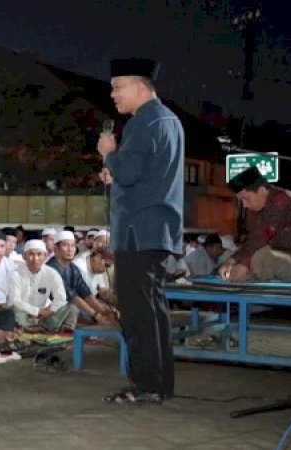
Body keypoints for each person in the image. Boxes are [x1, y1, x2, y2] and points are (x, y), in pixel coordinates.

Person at [97, 57, 184, 405]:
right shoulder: (169, 120)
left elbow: (130, 172)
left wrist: (110, 156)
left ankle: (146, 386)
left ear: (140, 86)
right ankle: (159, 384)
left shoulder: (143, 122)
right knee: (153, 310)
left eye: (118, 86)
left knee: (136, 313)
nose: (113, 94)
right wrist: (116, 171)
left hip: (138, 230)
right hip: (157, 230)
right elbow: (144, 174)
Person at [219, 166, 291, 282]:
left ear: (261, 191)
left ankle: (246, 278)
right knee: (228, 255)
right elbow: (253, 240)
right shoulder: (258, 208)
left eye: (246, 198)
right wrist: (231, 260)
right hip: (285, 256)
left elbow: (260, 239)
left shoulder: (281, 199)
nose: (244, 205)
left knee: (263, 258)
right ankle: (244, 276)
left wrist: (242, 264)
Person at [8, 240, 76, 331]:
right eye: (31, 254)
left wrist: (50, 310)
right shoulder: (16, 274)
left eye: (39, 254)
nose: (35, 258)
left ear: (45, 256)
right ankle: (31, 328)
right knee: (14, 310)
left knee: (72, 308)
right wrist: (37, 311)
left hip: (44, 315)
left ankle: (61, 331)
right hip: (23, 314)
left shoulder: (51, 273)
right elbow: (14, 300)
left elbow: (61, 298)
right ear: (24, 256)